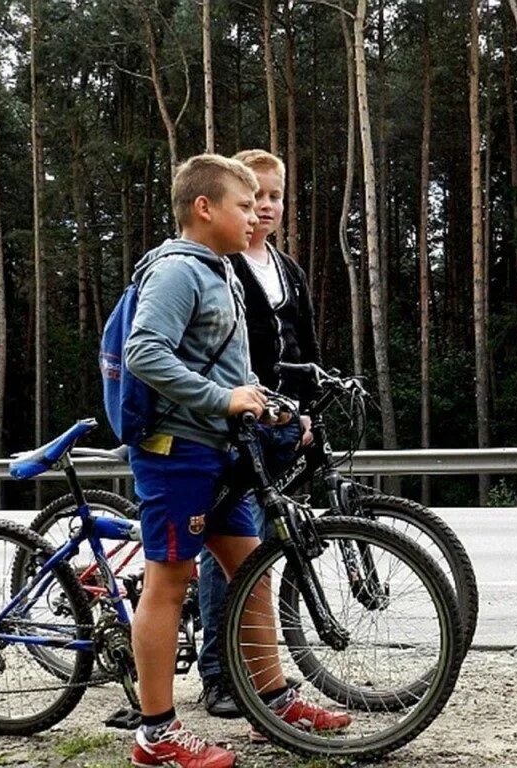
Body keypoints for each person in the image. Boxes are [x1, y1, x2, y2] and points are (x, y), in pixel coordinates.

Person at [124, 154, 346, 768]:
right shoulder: (177, 270)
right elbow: (145, 351)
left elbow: (231, 367)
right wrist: (222, 399)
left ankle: (270, 700)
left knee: (252, 573)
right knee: (169, 583)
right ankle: (156, 732)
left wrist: (271, 407)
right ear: (205, 208)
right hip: (177, 451)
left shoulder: (218, 270)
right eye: (244, 206)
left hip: (220, 448)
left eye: (258, 206)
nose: (256, 217)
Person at [197, 149, 322, 718]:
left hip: (278, 418)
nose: (266, 207)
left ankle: (260, 677)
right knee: (230, 543)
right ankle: (221, 672)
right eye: (255, 198)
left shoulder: (286, 268)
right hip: (236, 415)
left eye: (275, 197)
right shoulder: (219, 262)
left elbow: (305, 345)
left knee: (258, 546)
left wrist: (308, 410)